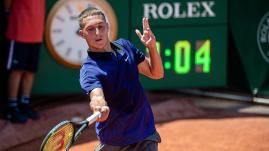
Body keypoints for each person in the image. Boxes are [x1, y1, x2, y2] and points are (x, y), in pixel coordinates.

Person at [78, 7, 164, 151]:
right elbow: (96, 96)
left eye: (100, 27)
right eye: (91, 29)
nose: (98, 33)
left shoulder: (125, 46)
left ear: (107, 27)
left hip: (145, 132)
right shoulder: (89, 70)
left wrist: (152, 48)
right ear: (82, 34)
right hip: (115, 141)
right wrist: (99, 106)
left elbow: (156, 74)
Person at [4, 0, 45, 123]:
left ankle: (24, 104)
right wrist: (7, 12)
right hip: (19, 31)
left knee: (30, 71)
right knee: (17, 70)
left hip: (36, 33)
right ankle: (11, 107)